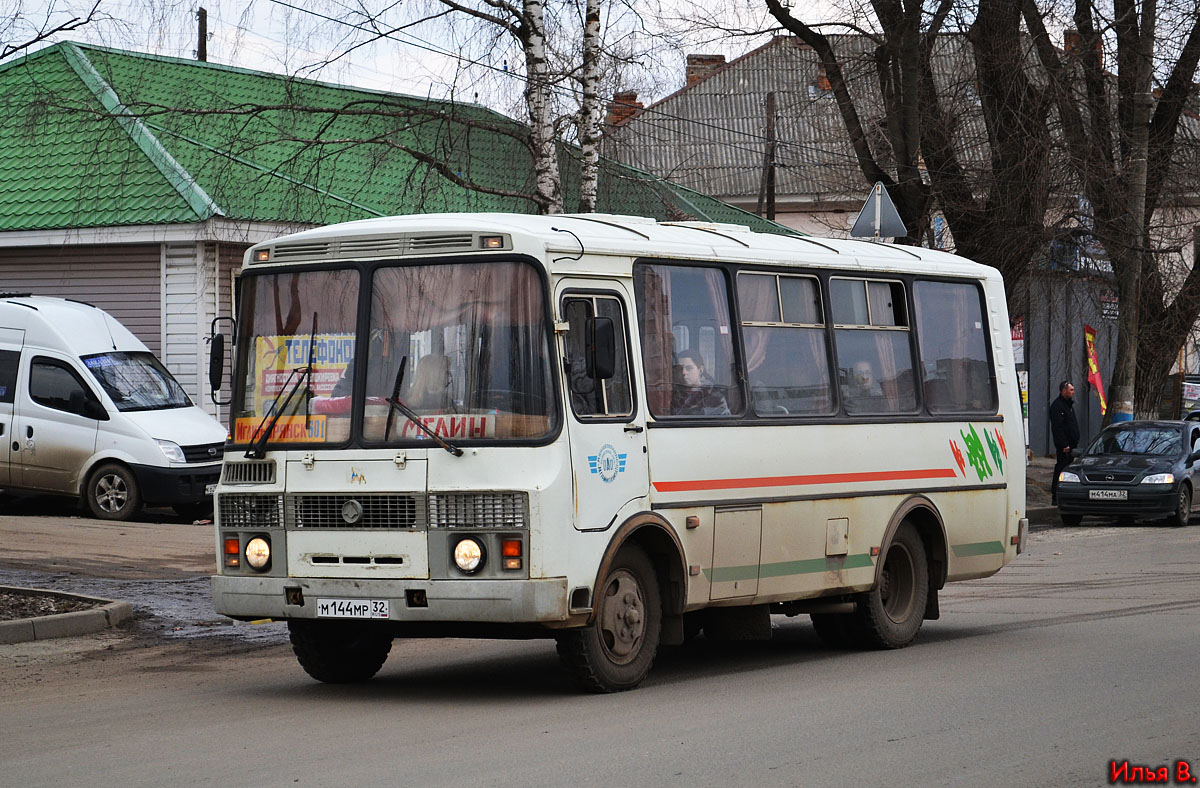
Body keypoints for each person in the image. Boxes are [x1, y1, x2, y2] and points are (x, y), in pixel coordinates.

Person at [1049, 380, 1080, 504]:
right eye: (1071, 390)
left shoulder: (1068, 406)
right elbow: (1058, 428)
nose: (1073, 392)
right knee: (1061, 468)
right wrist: (1064, 444)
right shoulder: (1058, 406)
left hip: (1071, 444)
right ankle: (1056, 496)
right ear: (1064, 391)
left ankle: (1064, 496)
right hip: (1065, 446)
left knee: (1067, 469)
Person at [672, 348, 730, 416]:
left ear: (700, 370)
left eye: (689, 368)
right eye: (680, 369)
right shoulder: (674, 394)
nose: (683, 372)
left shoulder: (713, 395)